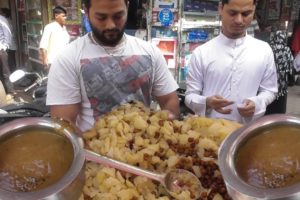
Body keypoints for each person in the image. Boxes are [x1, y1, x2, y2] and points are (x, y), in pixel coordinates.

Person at [46, 0, 180, 133]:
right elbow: (63, 123)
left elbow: (169, 100)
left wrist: (164, 129)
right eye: (101, 17)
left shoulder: (150, 52)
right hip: (91, 151)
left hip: (144, 150)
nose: (110, 25)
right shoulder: (67, 58)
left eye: (118, 16)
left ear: (127, 7)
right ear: (86, 12)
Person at [184, 0, 278, 124]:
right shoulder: (202, 53)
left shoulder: (264, 50)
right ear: (220, 8)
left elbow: (270, 91)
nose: (239, 20)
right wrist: (207, 102)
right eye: (232, 13)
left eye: (246, 14)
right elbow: (190, 96)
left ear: (254, 10)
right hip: (210, 133)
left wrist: (257, 103)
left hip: (246, 133)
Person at [265, 30, 294, 114]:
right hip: (282, 83)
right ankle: (279, 117)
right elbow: (290, 65)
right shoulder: (286, 49)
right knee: (281, 104)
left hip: (269, 80)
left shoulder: (269, 48)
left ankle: (269, 116)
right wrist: (290, 78)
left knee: (269, 97)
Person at [39, 6, 70, 70]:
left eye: (66, 16)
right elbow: (43, 45)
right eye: (63, 16)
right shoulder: (49, 27)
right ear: (56, 16)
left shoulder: (64, 29)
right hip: (53, 63)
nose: (65, 18)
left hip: (64, 62)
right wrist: (45, 60)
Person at [0, 10, 13, 94]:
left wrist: (5, 46)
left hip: (1, 49)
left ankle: (10, 91)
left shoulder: (1, 19)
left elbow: (8, 33)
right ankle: (2, 91)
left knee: (5, 71)